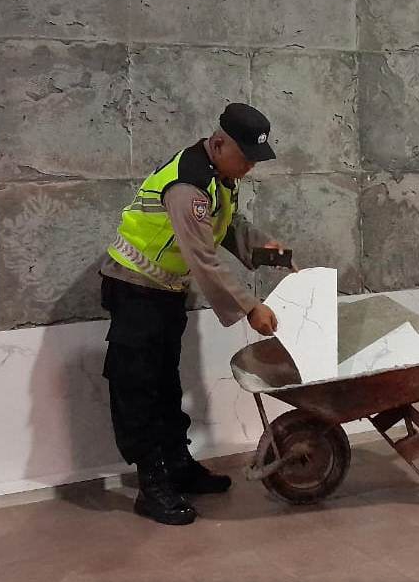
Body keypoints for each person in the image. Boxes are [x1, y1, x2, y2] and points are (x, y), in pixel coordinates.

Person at [102, 102, 293, 525]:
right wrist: (250, 308)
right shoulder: (188, 185)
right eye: (244, 158)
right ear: (219, 142)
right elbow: (203, 257)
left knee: (167, 384)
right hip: (135, 290)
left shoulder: (221, 177)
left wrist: (271, 253)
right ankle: (152, 485)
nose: (248, 169)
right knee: (139, 389)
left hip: (165, 292)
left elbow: (229, 224)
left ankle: (178, 467)